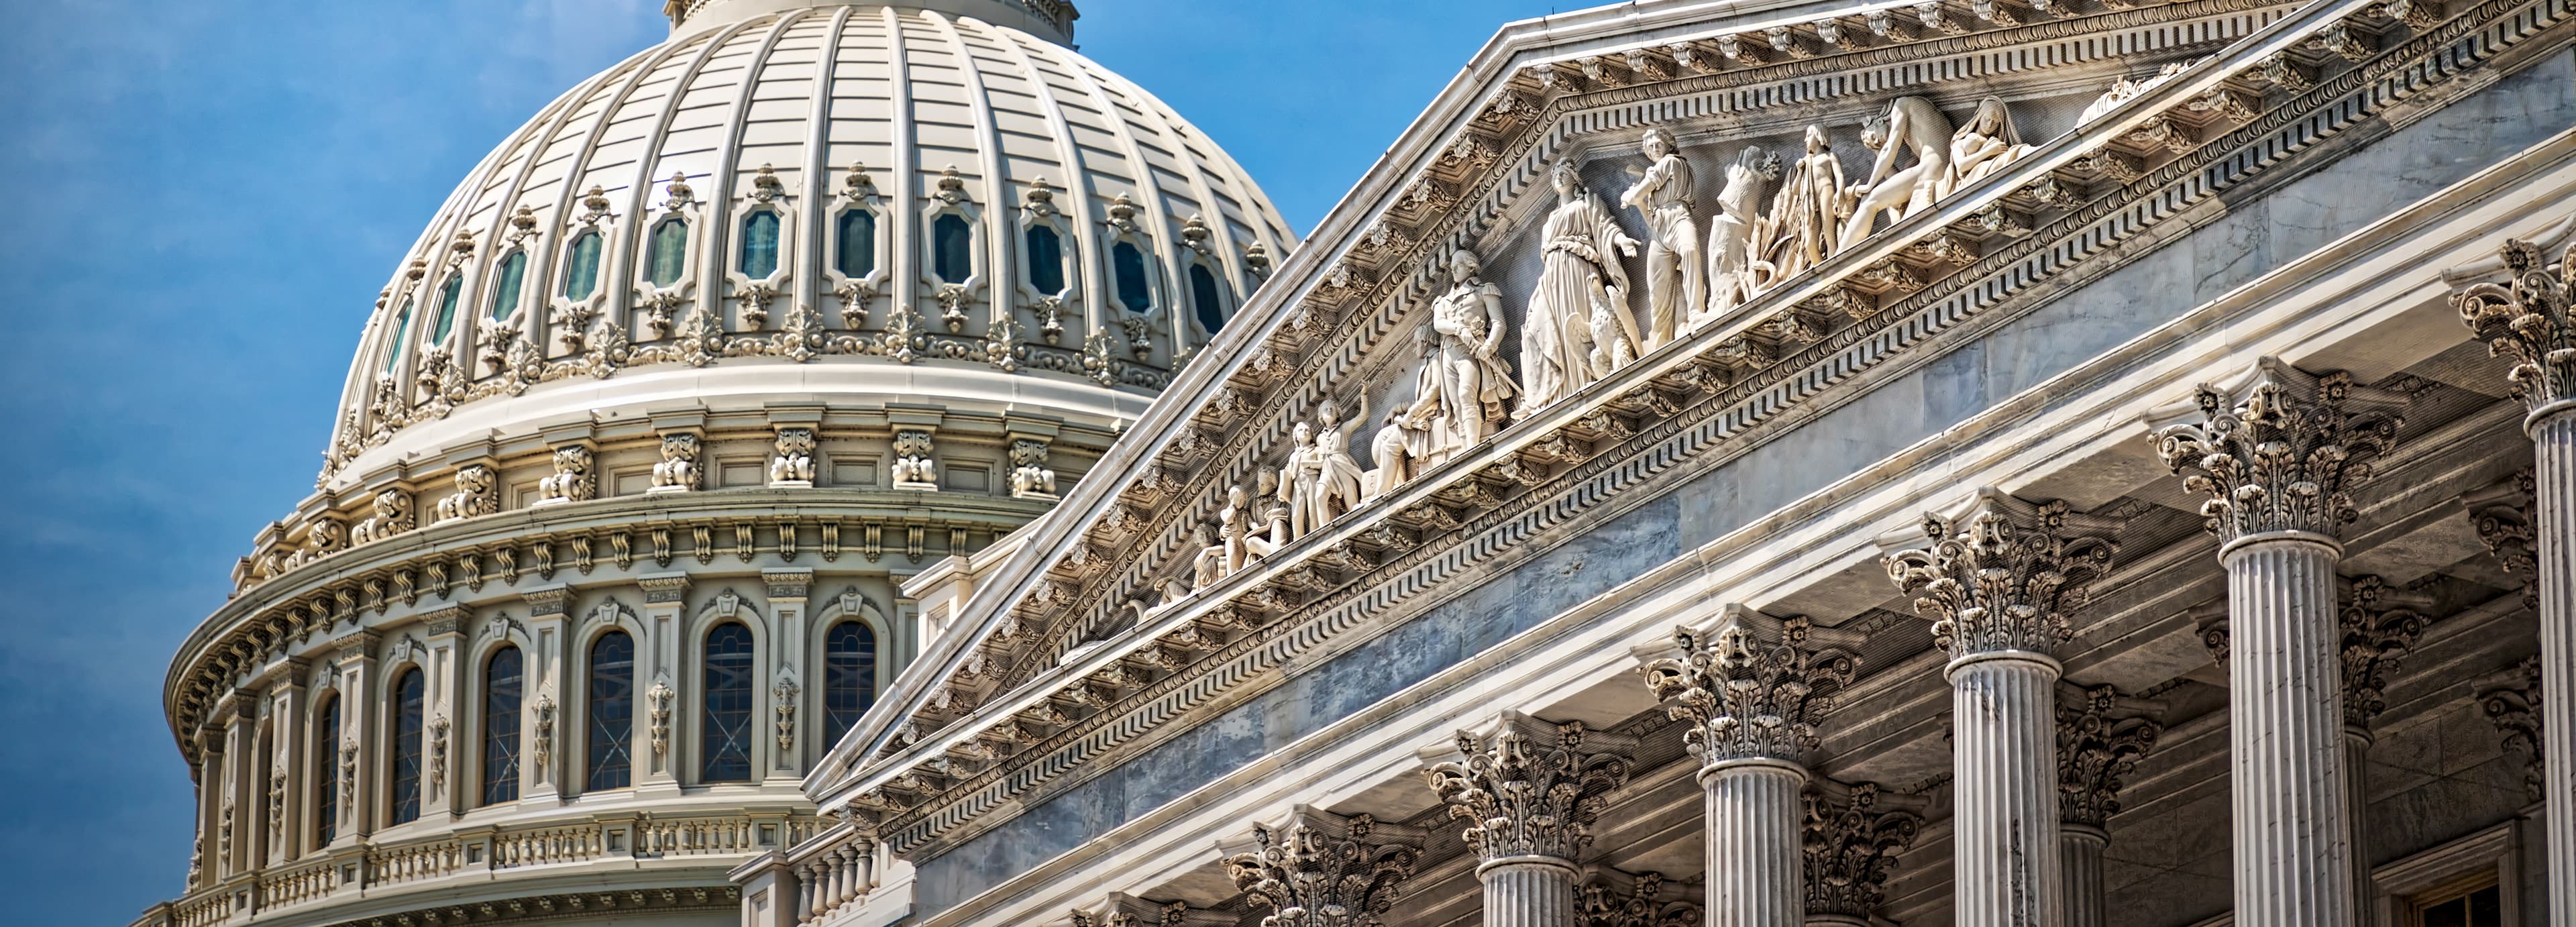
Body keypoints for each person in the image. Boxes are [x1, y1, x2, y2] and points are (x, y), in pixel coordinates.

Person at [1524, 160, 1642, 411]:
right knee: (1557, 326)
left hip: (1580, 267)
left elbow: (1605, 226)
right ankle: (1569, 386)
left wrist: (1622, 241)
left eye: (1565, 173)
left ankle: (1590, 376)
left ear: (1574, 178)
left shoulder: (1587, 203)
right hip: (1554, 276)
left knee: (1585, 316)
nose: (1559, 177)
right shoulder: (1551, 218)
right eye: (1556, 174)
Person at [1423, 249, 1517, 455]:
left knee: (1467, 394)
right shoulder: (1443, 301)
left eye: (1459, 265)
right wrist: (1459, 329)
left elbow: (1499, 324)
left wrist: (1489, 347)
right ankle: (1466, 449)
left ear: (1471, 267)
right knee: (1457, 404)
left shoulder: (1485, 290)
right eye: (1453, 267)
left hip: (1472, 353)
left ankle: (1473, 448)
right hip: (1448, 354)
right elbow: (1439, 324)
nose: (1454, 270)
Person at [1618, 127, 1705, 347]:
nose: (1654, 149)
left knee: (1690, 251)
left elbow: (1640, 193)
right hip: (1660, 229)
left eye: (1658, 144)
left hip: (1678, 217)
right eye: (1650, 147)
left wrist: (1631, 196)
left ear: (1669, 145)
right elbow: (1649, 217)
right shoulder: (1657, 178)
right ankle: (1662, 338)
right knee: (1656, 285)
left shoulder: (1671, 162)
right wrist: (1638, 202)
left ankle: (1696, 312)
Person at [1839, 97, 1954, 250]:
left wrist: (1870, 185)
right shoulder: (1918, 128)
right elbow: (1896, 185)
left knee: (1870, 199)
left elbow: (1891, 148)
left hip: (1932, 168)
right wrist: (1878, 152)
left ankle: (1839, 258)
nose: (1879, 142)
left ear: (1879, 122)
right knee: (1890, 201)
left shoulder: (1902, 105)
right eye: (1876, 144)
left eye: (1874, 137)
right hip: (1936, 167)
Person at [1762, 126, 1849, 283]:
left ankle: (1835, 272)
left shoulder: (1830, 156)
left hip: (1826, 192)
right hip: (1809, 200)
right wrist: (1799, 170)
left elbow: (1840, 176)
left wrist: (1839, 193)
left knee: (1830, 235)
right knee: (1809, 243)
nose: (1805, 139)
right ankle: (1823, 274)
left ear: (1819, 136)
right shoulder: (1806, 163)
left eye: (1809, 135)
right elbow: (1795, 191)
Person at [1937, 97, 2033, 200]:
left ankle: (2034, 156)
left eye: (1995, 122)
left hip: (1989, 171)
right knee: (2011, 156)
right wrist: (1989, 151)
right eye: (1987, 119)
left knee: (2014, 153)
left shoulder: (1995, 142)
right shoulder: (1960, 143)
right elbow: (1961, 166)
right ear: (1980, 116)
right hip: (1971, 180)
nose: (1990, 124)